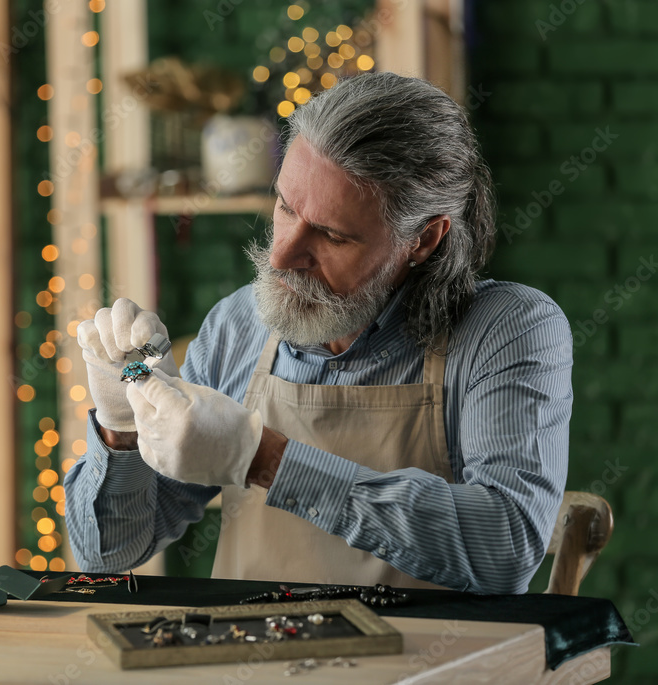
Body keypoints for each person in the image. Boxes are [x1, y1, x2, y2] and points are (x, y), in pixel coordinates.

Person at [63, 72, 572, 594]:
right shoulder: (238, 325)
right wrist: (121, 426)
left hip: (426, 668)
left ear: (422, 239)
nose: (282, 256)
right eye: (285, 207)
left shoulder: (506, 330)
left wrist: (265, 460)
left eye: (331, 235)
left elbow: (507, 548)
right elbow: (109, 553)